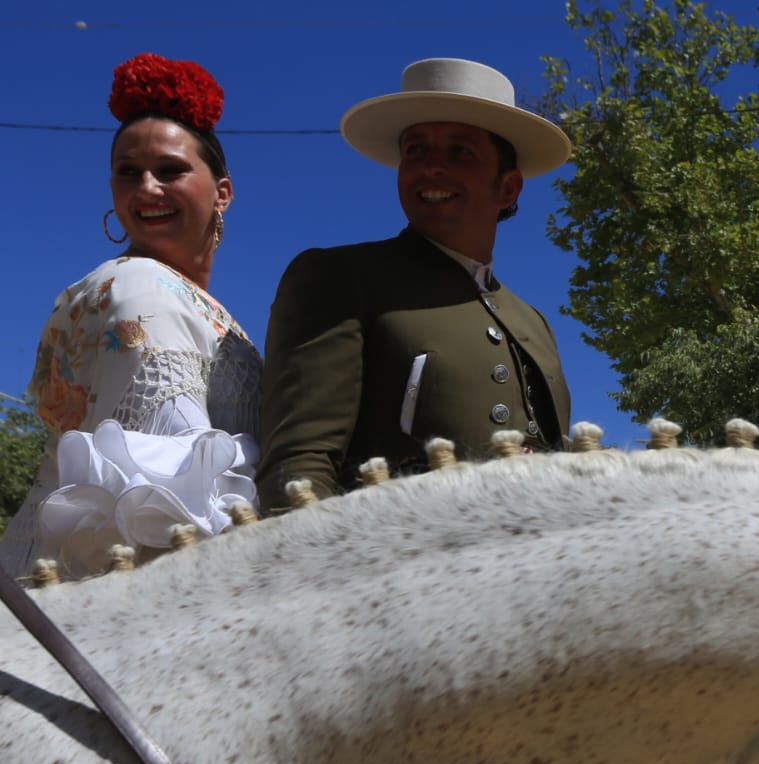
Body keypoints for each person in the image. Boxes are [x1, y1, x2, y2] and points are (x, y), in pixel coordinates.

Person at [255, 58, 571, 509]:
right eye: (416, 150)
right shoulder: (339, 277)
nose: (432, 167)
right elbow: (298, 469)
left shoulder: (533, 324)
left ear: (508, 188)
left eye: (460, 151)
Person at [0, 53, 259, 580]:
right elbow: (159, 512)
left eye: (170, 171)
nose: (146, 188)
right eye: (128, 173)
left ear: (222, 194)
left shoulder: (207, 309)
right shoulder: (140, 287)